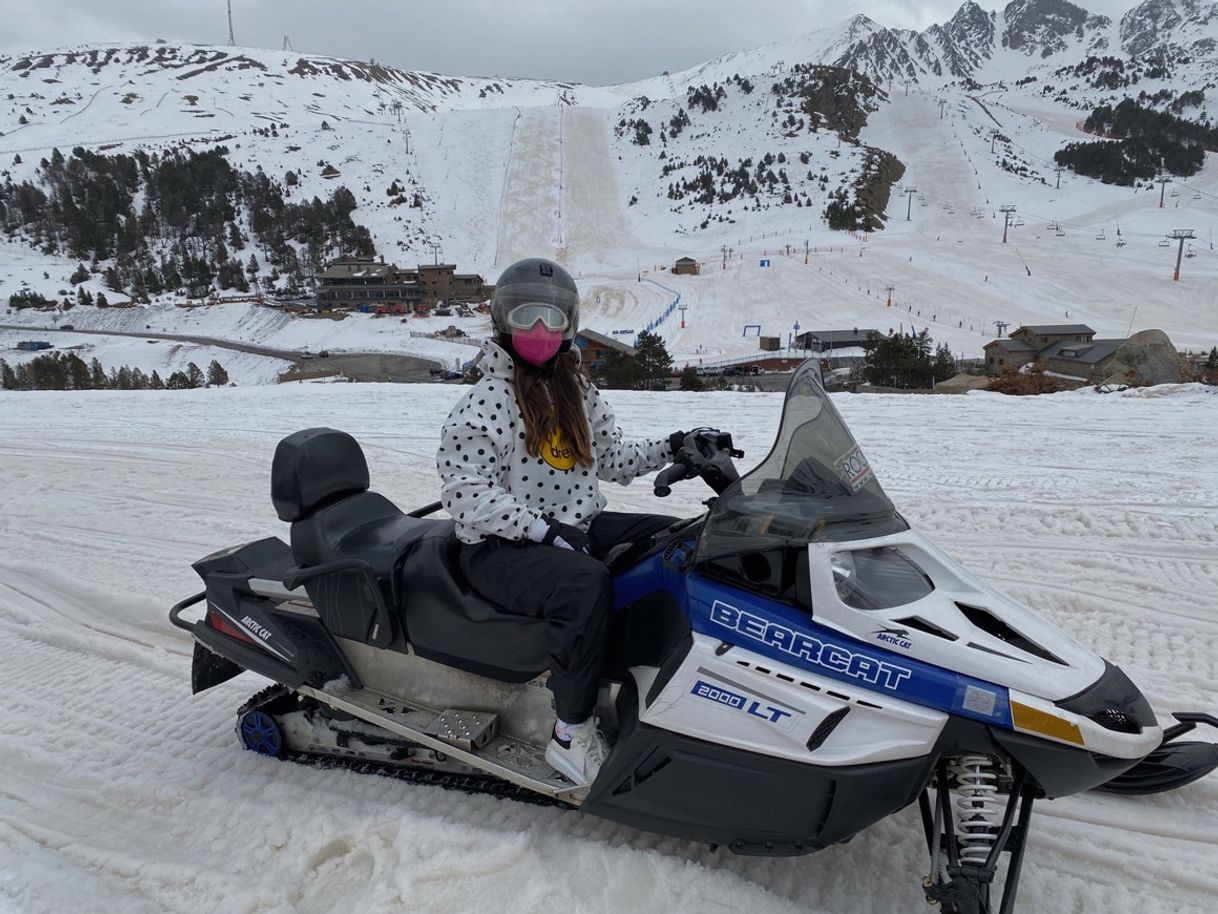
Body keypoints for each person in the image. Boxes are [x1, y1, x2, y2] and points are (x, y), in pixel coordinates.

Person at [436, 257, 689, 787]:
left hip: (572, 525)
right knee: (585, 583)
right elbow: (465, 493)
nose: (540, 331)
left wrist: (676, 445)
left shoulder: (575, 390)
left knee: (675, 541)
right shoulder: (486, 401)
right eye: (528, 316)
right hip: (497, 547)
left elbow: (614, 459)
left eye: (553, 319)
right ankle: (571, 734)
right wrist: (541, 531)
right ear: (503, 319)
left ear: (569, 323)